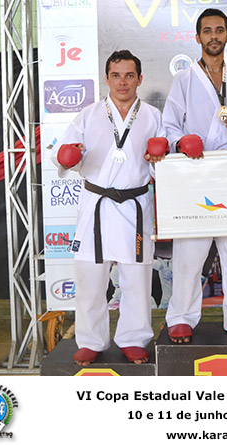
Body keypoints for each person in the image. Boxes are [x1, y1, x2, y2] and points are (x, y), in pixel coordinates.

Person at [51, 50, 164, 366]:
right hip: (96, 206)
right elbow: (62, 155)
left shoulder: (153, 117)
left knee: (137, 279)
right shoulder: (88, 115)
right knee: (90, 278)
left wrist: (158, 159)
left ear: (140, 79)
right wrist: (68, 156)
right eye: (116, 75)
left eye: (129, 76)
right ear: (107, 79)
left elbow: (162, 164)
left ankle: (134, 338)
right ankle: (91, 340)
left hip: (135, 205)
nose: (122, 82)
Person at [162, 8, 227, 343]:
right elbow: (169, 125)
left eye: (220, 30)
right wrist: (182, 142)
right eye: (207, 31)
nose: (214, 36)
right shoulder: (184, 80)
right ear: (198, 37)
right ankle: (181, 317)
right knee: (189, 252)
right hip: (195, 170)